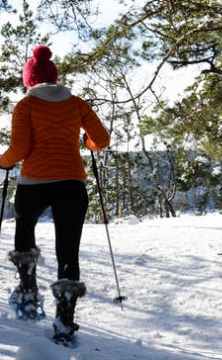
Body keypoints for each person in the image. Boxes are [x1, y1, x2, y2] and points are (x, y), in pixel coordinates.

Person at [0, 45, 110, 342]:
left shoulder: (25, 106)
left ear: (30, 80)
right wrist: (88, 143)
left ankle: (27, 295)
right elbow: (101, 139)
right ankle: (64, 322)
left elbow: (20, 150)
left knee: (24, 236)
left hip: (34, 183)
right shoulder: (76, 104)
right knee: (68, 252)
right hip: (71, 184)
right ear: (54, 77)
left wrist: (3, 161)